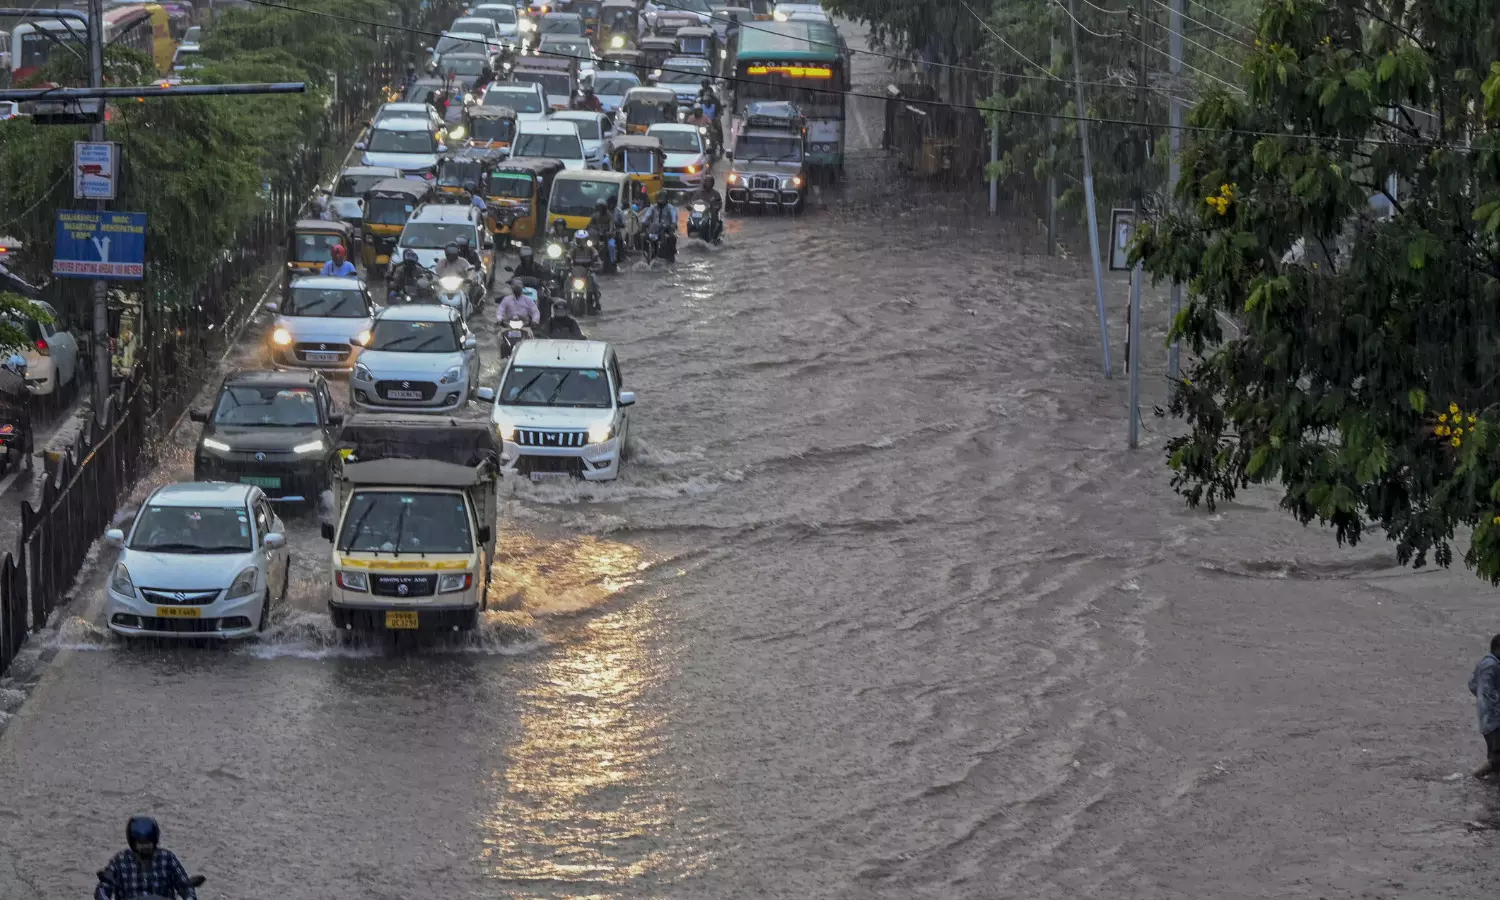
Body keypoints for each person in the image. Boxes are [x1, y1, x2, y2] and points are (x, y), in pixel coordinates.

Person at [95, 816, 198, 900]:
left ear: (155, 841)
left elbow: (186, 886)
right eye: (141, 843)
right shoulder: (120, 860)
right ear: (133, 843)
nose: (145, 846)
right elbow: (103, 888)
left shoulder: (167, 858)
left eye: (148, 842)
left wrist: (189, 897)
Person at [1471, 635, 1500, 779]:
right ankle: (1475, 776)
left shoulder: (1487, 662)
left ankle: (1491, 786)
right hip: (1494, 720)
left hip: (1487, 718)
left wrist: (1482, 702)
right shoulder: (1491, 665)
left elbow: (1472, 684)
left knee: (1495, 756)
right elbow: (1487, 692)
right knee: (1497, 758)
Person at [641, 194, 677, 262]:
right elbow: (645, 218)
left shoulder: (670, 208)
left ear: (666, 199)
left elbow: (674, 219)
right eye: (659, 198)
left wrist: (673, 224)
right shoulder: (652, 207)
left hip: (666, 229)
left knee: (672, 238)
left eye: (662, 198)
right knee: (644, 237)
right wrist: (643, 223)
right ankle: (645, 254)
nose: (660, 200)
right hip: (653, 230)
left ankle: (671, 256)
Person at [691, 174, 723, 242]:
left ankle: (712, 235)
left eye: (706, 181)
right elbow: (692, 201)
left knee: (714, 220)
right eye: (704, 181)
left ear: (711, 183)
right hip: (700, 213)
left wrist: (715, 206)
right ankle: (692, 230)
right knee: (691, 218)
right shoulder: (698, 193)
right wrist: (689, 205)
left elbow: (719, 203)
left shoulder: (715, 194)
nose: (704, 183)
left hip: (710, 213)